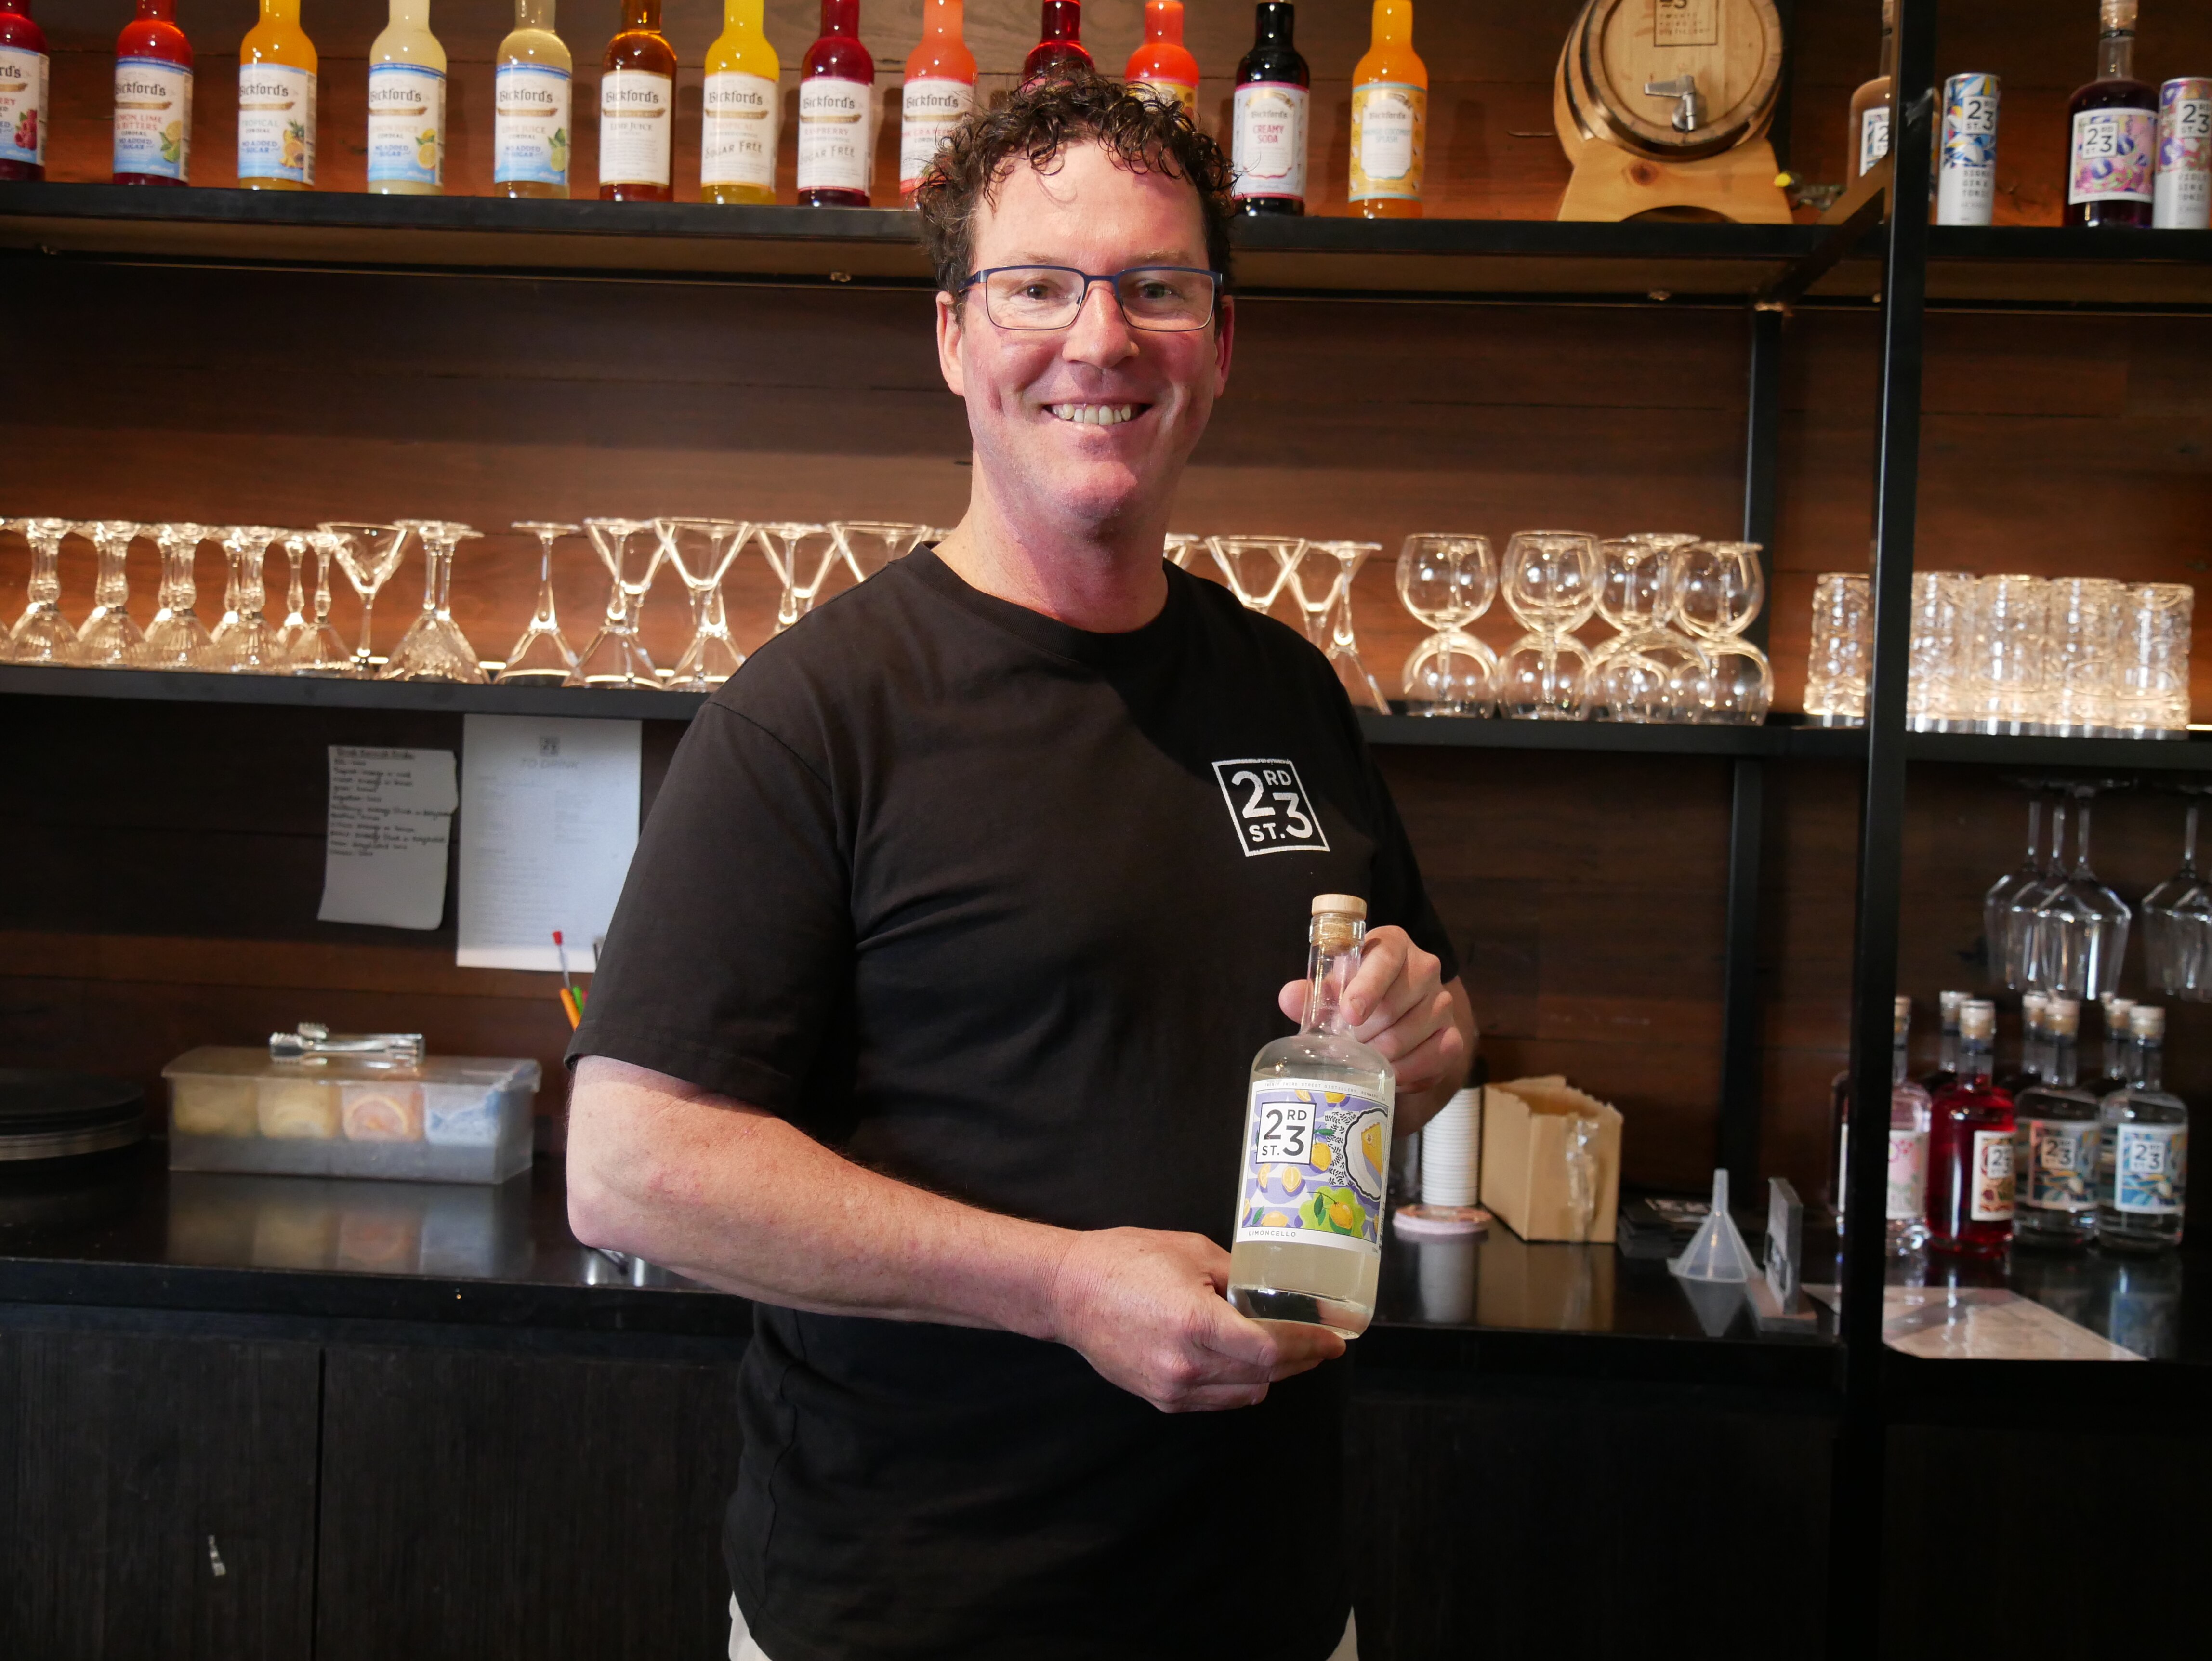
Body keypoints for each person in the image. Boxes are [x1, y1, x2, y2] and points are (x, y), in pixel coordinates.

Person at [565, 71, 1475, 1661]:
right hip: (913, 1610)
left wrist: (1423, 1033)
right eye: (1039, 287)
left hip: (1261, 1601)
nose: (1101, 340)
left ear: (1221, 342)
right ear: (951, 339)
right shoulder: (816, 716)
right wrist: (1061, 1287)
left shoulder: (1286, 688)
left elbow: (1429, 1033)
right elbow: (633, 1167)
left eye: (1157, 289)